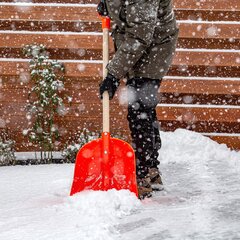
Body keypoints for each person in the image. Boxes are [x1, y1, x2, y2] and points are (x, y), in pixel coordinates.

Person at [98, 0, 179, 198]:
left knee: (139, 109)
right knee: (144, 108)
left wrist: (113, 75)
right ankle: (151, 170)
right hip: (138, 43)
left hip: (155, 47)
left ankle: (143, 175)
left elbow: (141, 34)